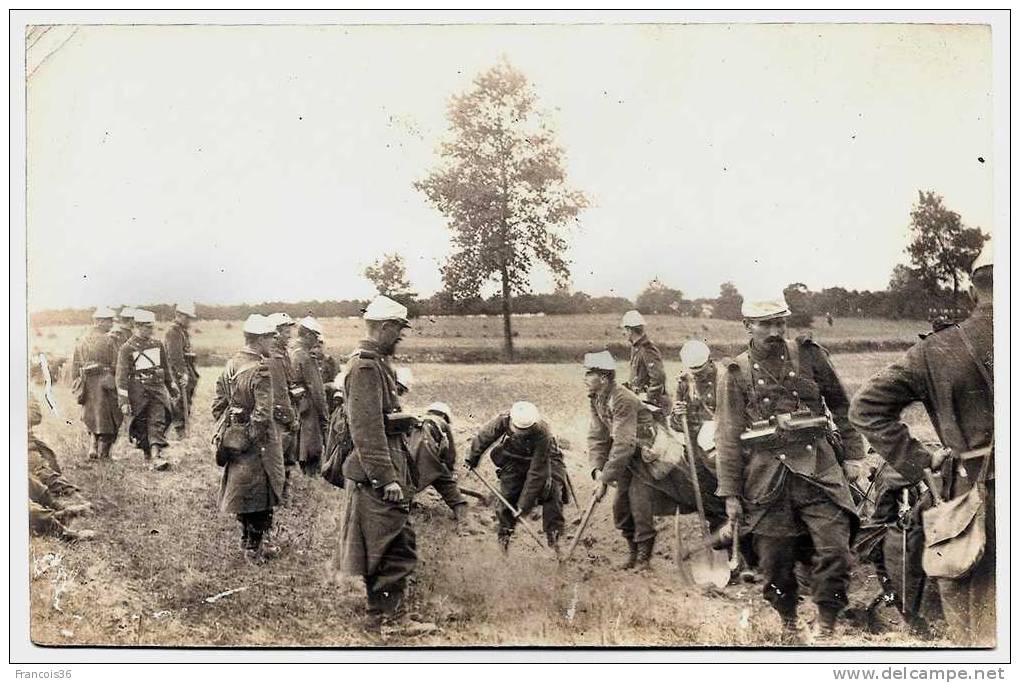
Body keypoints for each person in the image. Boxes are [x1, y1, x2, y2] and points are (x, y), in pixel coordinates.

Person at [850, 243, 994, 646]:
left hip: (973, 499)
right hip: (980, 497)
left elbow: (865, 408)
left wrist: (921, 460)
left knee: (979, 616)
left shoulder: (936, 349)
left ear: (971, 290)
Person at [714, 297, 867, 640]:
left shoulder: (810, 355)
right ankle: (789, 623)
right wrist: (731, 494)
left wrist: (854, 455)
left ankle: (827, 625)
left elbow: (842, 405)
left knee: (836, 552)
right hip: (766, 479)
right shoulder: (735, 372)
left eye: (780, 323)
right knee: (774, 563)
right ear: (747, 326)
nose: (774, 331)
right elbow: (726, 438)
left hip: (819, 471)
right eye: (765, 324)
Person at [334, 295, 417, 621]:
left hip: (378, 466)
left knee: (382, 543)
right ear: (385, 327)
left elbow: (378, 420)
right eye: (398, 330)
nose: (400, 336)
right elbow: (366, 429)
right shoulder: (367, 366)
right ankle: (392, 621)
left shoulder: (374, 362)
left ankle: (379, 613)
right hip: (376, 472)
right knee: (393, 544)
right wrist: (387, 478)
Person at [211, 314, 286, 564]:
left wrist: (235, 430)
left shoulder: (231, 364)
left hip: (235, 439)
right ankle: (253, 550)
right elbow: (263, 415)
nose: (273, 343)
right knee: (260, 496)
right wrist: (252, 437)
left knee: (243, 493)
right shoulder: (261, 371)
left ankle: (249, 543)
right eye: (270, 338)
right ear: (260, 339)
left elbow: (218, 404)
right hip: (258, 444)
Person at [585, 350, 662, 570]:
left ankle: (644, 560)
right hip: (625, 456)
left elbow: (624, 442)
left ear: (603, 378)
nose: (585, 379)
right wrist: (597, 470)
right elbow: (598, 436)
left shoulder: (622, 399)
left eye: (589, 374)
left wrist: (605, 480)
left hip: (645, 453)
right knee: (620, 507)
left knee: (639, 503)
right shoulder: (597, 398)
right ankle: (632, 553)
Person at [466, 401, 567, 553]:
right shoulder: (504, 419)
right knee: (507, 495)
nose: (520, 432)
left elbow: (537, 472)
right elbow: (484, 437)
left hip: (546, 458)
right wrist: (471, 459)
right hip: (514, 456)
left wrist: (524, 505)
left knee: (552, 492)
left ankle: (554, 539)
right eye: (517, 429)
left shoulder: (543, 433)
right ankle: (504, 536)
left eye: (524, 430)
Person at [115, 309, 178, 462]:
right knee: (141, 423)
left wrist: (171, 385)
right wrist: (124, 401)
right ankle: (148, 454)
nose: (150, 330)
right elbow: (121, 376)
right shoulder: (127, 348)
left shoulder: (158, 345)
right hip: (138, 391)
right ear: (137, 326)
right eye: (147, 327)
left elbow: (165, 367)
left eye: (151, 327)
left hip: (157, 389)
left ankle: (156, 455)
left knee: (158, 419)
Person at [70, 306, 122, 460]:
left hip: (87, 383)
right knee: (110, 418)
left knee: (91, 416)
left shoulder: (82, 340)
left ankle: (93, 447)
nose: (112, 324)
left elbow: (75, 365)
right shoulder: (109, 341)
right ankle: (104, 455)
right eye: (109, 321)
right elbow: (117, 364)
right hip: (106, 382)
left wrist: (77, 382)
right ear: (99, 321)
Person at [290, 316, 329, 476]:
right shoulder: (305, 356)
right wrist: (324, 413)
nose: (317, 340)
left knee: (299, 443)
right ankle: (312, 475)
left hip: (295, 405)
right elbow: (317, 389)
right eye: (315, 336)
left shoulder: (290, 351)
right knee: (311, 446)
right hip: (308, 406)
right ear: (308, 336)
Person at [267, 312, 300, 491]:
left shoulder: (283, 354)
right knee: (280, 454)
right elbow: (280, 392)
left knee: (285, 454)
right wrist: (291, 418)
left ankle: (283, 490)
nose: (289, 335)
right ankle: (279, 493)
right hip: (280, 414)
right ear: (276, 333)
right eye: (286, 332)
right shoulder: (275, 358)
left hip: (284, 410)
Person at [620, 310, 670, 418]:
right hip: (643, 405)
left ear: (630, 330)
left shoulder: (647, 349)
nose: (623, 333)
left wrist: (647, 397)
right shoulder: (636, 348)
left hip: (653, 407)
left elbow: (659, 377)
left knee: (662, 434)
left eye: (625, 329)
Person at [165, 301, 200, 438]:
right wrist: (182, 373)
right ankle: (180, 431)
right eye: (186, 317)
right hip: (177, 372)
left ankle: (180, 429)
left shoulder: (181, 331)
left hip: (186, 369)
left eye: (190, 318)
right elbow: (175, 356)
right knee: (179, 401)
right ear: (178, 315)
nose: (189, 321)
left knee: (185, 400)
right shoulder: (173, 332)